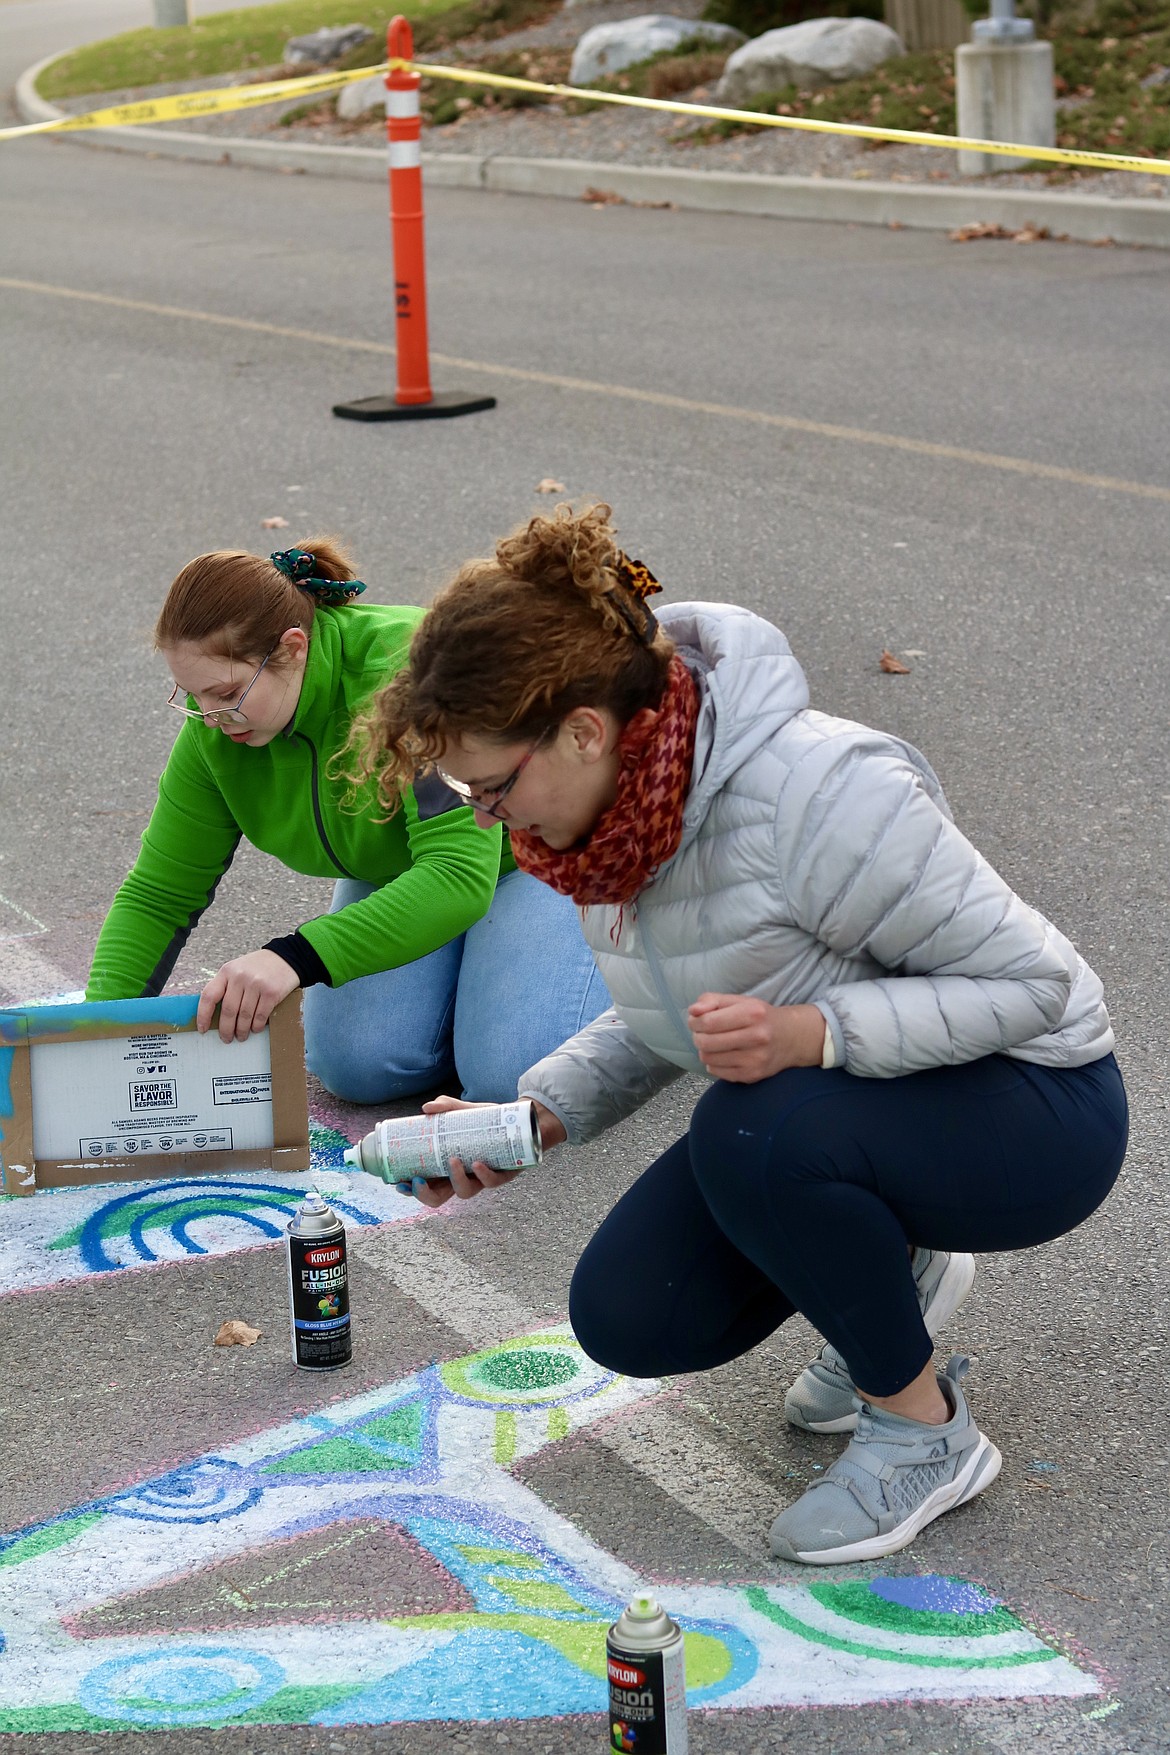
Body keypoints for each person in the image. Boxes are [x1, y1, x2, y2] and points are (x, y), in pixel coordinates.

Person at [349, 500, 1127, 1565]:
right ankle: (899, 1272)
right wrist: (534, 1116)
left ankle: (925, 1433)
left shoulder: (819, 791)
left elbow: (1037, 986)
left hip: (1040, 1106)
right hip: (872, 1096)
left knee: (753, 1131)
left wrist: (812, 1033)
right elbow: (678, 1012)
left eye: (493, 787)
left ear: (582, 730)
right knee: (635, 1315)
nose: (489, 817)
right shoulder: (619, 815)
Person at [86, 538, 609, 1104]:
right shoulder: (216, 733)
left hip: (537, 852)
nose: (209, 718)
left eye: (226, 693)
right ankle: (485, 987)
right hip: (407, 864)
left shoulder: (407, 679)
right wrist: (90, 1037)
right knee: (357, 1066)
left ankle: (640, 956)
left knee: (510, 1076)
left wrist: (294, 956)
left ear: (292, 648)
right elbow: (159, 893)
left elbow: (458, 876)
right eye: (191, 697)